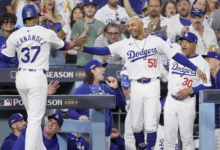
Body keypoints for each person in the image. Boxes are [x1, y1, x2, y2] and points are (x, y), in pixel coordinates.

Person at [73, 16, 208, 150]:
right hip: (136, 85)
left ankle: (149, 148)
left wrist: (196, 69)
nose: (130, 28)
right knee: (136, 125)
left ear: (141, 24)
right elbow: (103, 50)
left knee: (150, 124)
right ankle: (142, 147)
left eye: (133, 25)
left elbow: (177, 56)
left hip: (153, 84)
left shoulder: (155, 41)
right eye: (129, 25)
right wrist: (84, 49)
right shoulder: (125, 44)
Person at [0, 3, 88, 150]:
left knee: (36, 117)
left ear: (23, 18)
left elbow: (6, 58)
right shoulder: (45, 32)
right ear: (37, 16)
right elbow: (65, 46)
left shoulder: (15, 34)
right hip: (36, 77)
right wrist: (76, 42)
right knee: (35, 119)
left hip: (21, 77)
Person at [56, 59, 125, 150]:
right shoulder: (80, 90)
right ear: (92, 70)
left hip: (105, 132)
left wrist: (116, 88)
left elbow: (120, 103)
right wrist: (79, 116)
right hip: (88, 132)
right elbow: (71, 111)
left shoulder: (105, 88)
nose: (104, 69)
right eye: (100, 67)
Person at [163, 32, 211, 150]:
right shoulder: (176, 55)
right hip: (170, 100)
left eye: (187, 42)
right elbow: (163, 39)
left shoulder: (202, 63)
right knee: (168, 137)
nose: (183, 45)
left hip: (187, 102)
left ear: (195, 45)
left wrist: (191, 90)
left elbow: (207, 85)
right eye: (182, 42)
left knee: (187, 138)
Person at [70, 0, 105, 66]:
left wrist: (101, 35)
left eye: (92, 7)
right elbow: (73, 45)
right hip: (82, 63)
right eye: (87, 6)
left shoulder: (102, 25)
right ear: (83, 9)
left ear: (95, 9)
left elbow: (107, 45)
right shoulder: (77, 24)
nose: (90, 9)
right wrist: (85, 31)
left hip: (98, 63)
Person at [202, 51, 220, 150]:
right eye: (204, 59)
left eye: (208, 59)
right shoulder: (207, 79)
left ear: (218, 62)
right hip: (210, 126)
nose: (205, 61)